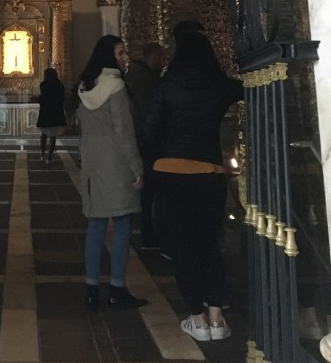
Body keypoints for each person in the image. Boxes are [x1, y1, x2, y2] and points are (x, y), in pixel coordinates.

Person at [145, 20, 243, 342]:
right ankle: (217, 317)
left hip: (171, 171)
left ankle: (197, 320)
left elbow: (150, 130)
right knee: (209, 244)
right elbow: (251, 87)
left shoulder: (167, 84)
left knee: (183, 247)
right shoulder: (219, 85)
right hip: (208, 172)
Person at [76, 34, 147, 309]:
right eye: (120, 53)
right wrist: (136, 167)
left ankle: (91, 288)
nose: (125, 57)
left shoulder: (85, 87)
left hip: (93, 162)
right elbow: (124, 132)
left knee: (96, 224)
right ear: (109, 57)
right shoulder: (115, 86)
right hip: (116, 163)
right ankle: (117, 288)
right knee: (123, 224)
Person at [125, 42, 167, 249]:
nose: (164, 63)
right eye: (163, 58)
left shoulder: (136, 75)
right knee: (150, 191)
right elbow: (148, 113)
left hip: (140, 140)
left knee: (147, 191)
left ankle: (149, 232)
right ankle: (150, 234)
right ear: (155, 57)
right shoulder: (144, 80)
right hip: (146, 142)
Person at [36, 66, 67, 162]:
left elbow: (43, 98)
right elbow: (62, 98)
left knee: (44, 134)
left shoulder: (44, 85)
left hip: (46, 111)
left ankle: (42, 154)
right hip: (56, 112)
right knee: (53, 136)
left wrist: (38, 99)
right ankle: (49, 156)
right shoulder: (60, 85)